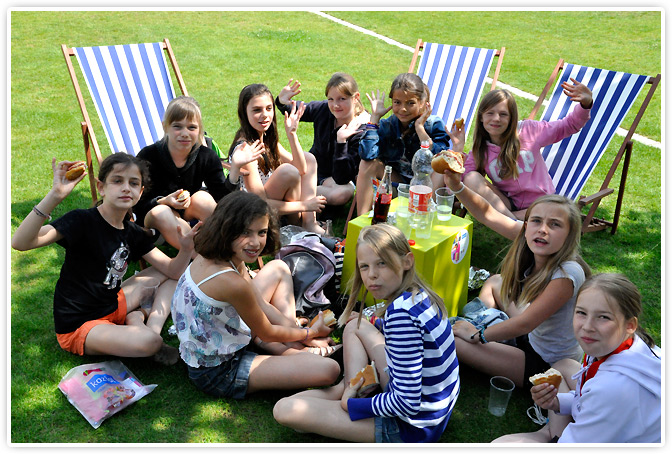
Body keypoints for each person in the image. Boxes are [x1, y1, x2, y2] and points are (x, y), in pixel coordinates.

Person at [273, 224, 460, 443]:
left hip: (410, 429)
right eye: (364, 267)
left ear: (407, 261)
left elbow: (407, 403)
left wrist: (350, 406)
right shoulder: (420, 294)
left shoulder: (401, 317)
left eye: (382, 263)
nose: (371, 275)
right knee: (355, 324)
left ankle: (347, 395)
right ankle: (349, 387)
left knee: (284, 409)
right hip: (438, 410)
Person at [11, 154, 200, 365]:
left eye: (133, 183)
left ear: (140, 193)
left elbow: (172, 270)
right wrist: (55, 195)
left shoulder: (132, 232)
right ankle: (145, 332)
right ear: (101, 187)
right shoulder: (81, 220)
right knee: (150, 344)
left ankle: (149, 326)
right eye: (117, 181)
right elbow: (21, 242)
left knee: (178, 275)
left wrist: (185, 249)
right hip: (81, 324)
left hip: (114, 304)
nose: (126, 188)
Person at [170, 191, 341, 399]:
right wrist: (310, 334)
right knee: (329, 370)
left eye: (261, 232)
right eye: (245, 233)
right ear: (226, 229)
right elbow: (267, 330)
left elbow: (261, 304)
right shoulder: (230, 281)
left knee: (277, 267)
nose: (256, 242)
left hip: (227, 333)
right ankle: (284, 349)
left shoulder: (225, 255)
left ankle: (287, 347)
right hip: (219, 370)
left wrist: (303, 335)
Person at [494, 274, 661, 443]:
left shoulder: (612, 389)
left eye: (604, 317)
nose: (587, 327)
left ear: (630, 325)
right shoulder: (625, 345)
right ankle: (551, 431)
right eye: (581, 312)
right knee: (563, 366)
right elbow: (586, 398)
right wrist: (556, 402)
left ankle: (549, 433)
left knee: (500, 445)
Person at [450, 194, 591, 394]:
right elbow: (488, 213)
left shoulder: (567, 274)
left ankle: (482, 327)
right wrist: (457, 187)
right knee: (496, 281)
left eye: (555, 224)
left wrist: (477, 335)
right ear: (526, 227)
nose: (543, 229)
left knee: (452, 340)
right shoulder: (536, 246)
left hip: (544, 363)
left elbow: (526, 323)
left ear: (569, 235)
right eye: (536, 221)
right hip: (531, 335)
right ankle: (485, 322)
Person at [135, 96, 261, 250]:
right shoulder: (148, 156)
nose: (185, 133)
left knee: (202, 198)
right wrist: (164, 201)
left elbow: (222, 200)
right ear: (165, 127)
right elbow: (136, 205)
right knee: (162, 212)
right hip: (154, 219)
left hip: (187, 215)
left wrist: (235, 168)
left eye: (192, 128)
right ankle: (204, 260)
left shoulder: (206, 156)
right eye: (177, 127)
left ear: (200, 130)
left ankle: (227, 248)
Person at [460, 82, 593, 220]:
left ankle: (510, 222)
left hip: (543, 203)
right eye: (490, 113)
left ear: (512, 118)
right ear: (481, 117)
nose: (496, 119)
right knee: (471, 178)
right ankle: (513, 222)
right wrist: (458, 149)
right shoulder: (481, 149)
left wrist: (585, 105)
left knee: (553, 210)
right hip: (508, 203)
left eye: (503, 114)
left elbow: (568, 125)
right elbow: (462, 180)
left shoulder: (529, 131)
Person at [228, 84, 327, 234]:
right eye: (257, 110)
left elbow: (302, 169)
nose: (265, 115)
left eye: (269, 108)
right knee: (288, 171)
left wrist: (292, 135)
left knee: (309, 158)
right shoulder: (246, 150)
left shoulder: (265, 137)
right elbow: (260, 203)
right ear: (244, 113)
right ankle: (296, 228)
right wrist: (305, 205)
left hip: (276, 205)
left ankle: (308, 223)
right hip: (253, 213)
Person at [356, 73, 451, 216]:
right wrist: (374, 119)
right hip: (398, 183)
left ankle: (421, 216)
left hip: (426, 185)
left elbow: (440, 159)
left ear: (422, 103)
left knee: (440, 167)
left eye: (410, 103)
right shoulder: (388, 125)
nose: (403, 109)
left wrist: (420, 128)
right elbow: (367, 155)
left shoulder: (433, 124)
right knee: (367, 163)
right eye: (397, 102)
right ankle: (362, 223)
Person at [275, 73, 370, 207]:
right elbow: (299, 110)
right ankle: (299, 196)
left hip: (332, 181)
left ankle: (294, 194)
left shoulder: (362, 129)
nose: (335, 105)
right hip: (310, 170)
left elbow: (342, 178)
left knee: (344, 192)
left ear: (356, 98)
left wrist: (341, 142)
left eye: (342, 99)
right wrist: (282, 101)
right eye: (331, 99)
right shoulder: (324, 109)